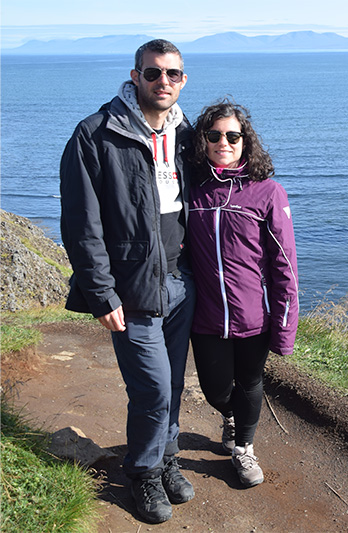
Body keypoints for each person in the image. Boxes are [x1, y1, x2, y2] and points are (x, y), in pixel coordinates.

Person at [60, 39, 195, 524]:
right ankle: (142, 472)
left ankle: (165, 457)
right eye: (153, 73)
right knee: (152, 389)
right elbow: (81, 223)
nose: (163, 82)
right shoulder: (96, 134)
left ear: (183, 80)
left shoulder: (187, 132)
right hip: (131, 288)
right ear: (135, 76)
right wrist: (100, 293)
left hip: (181, 281)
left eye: (172, 74)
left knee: (173, 384)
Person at [188, 100, 299, 487]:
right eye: (214, 135)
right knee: (215, 390)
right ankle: (231, 416)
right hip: (205, 317)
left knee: (250, 383)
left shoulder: (267, 192)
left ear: (245, 141)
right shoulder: (193, 192)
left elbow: (285, 265)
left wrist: (284, 328)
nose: (224, 142)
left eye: (233, 136)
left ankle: (243, 449)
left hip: (254, 317)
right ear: (203, 141)